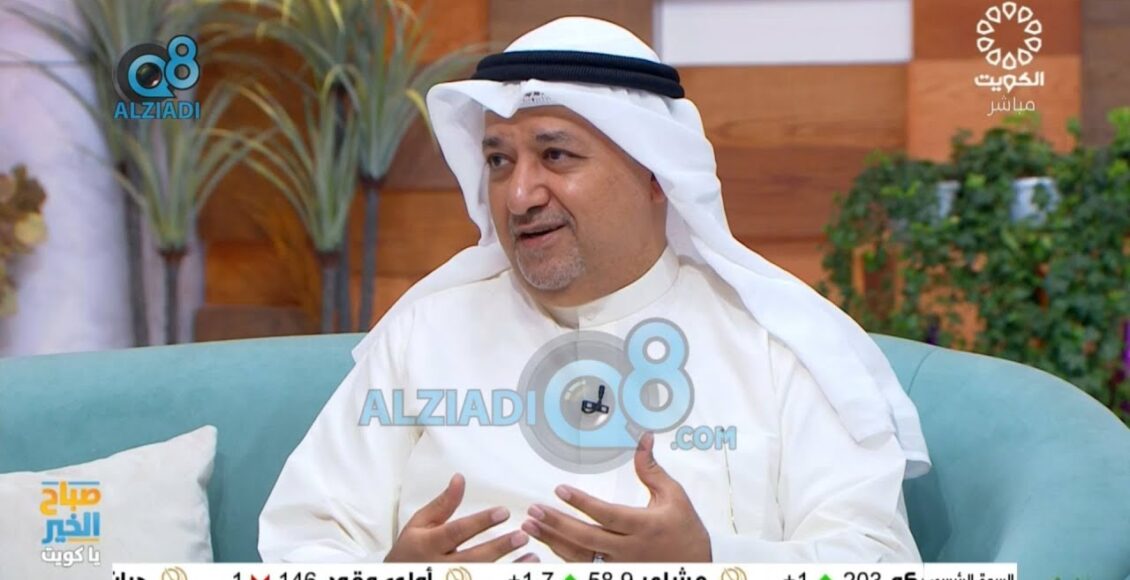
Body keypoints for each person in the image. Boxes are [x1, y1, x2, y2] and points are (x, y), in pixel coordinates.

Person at [258, 16, 931, 564]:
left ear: (655, 173)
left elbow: (876, 556)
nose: (519, 195)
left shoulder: (772, 345)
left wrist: (709, 560)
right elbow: (300, 540)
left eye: (555, 155)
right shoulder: (423, 336)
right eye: (499, 160)